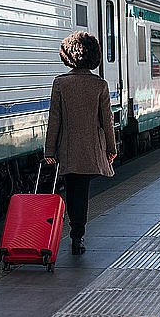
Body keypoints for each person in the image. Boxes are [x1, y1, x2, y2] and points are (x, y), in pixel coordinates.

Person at [44, 30, 117, 255]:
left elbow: (54, 118)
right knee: (82, 191)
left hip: (67, 148)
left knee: (72, 189)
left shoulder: (60, 83)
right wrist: (111, 149)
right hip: (91, 148)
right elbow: (107, 121)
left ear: (68, 56)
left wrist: (50, 150)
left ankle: (72, 231)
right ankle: (78, 237)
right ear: (93, 56)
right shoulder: (100, 85)